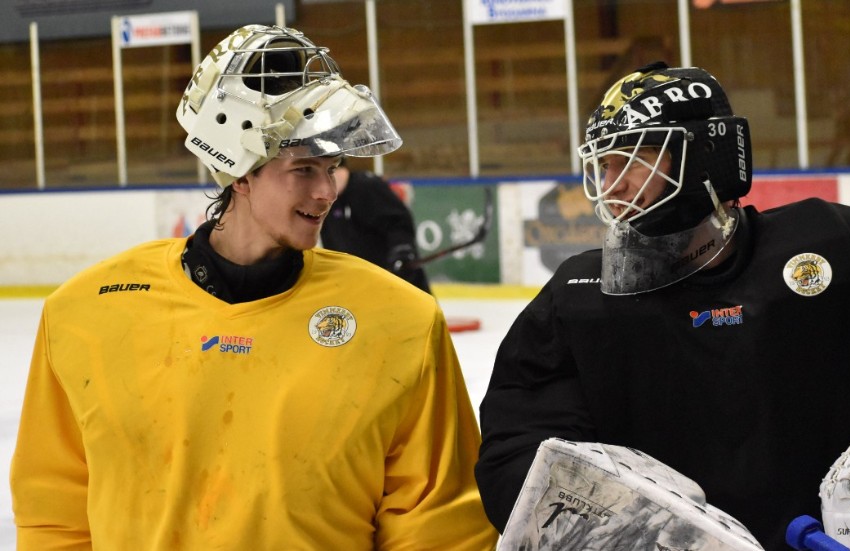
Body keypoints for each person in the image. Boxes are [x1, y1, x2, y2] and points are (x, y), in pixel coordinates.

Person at [10, 25, 497, 550]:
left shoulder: (401, 321)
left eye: (333, 167)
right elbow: (54, 516)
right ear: (238, 174)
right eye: (304, 169)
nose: (327, 191)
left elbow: (438, 525)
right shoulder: (85, 313)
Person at [474, 62, 850, 550]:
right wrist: (606, 530)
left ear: (706, 156)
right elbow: (520, 447)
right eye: (603, 164)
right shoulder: (580, 295)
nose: (612, 185)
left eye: (632, 158)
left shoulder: (848, 249)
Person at [320, 158, 431, 293]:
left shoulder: (367, 185)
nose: (325, 184)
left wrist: (402, 250)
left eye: (330, 173)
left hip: (397, 281)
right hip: (362, 286)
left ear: (340, 169)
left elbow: (398, 221)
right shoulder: (328, 201)